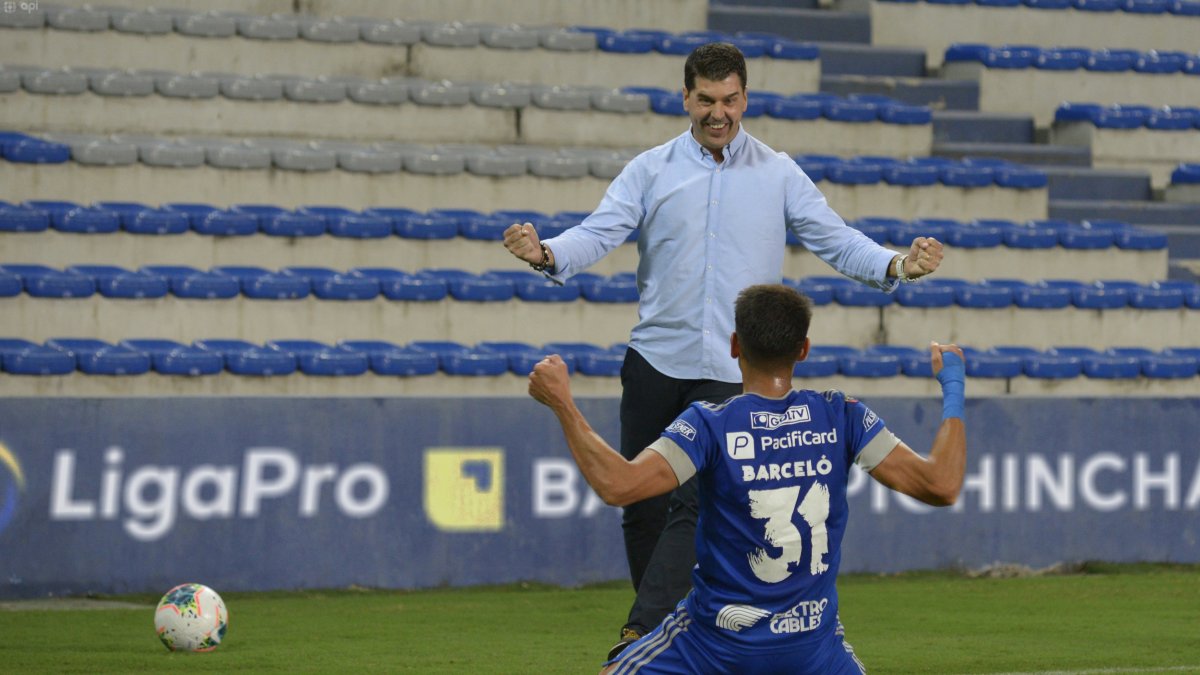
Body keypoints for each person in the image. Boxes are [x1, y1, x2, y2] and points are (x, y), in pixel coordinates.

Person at [502, 42, 945, 656]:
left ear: (746, 99)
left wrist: (898, 264)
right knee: (642, 508)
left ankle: (640, 632)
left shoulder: (778, 173)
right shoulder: (651, 169)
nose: (719, 112)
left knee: (694, 504)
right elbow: (599, 232)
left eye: (730, 100)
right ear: (686, 98)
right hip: (655, 362)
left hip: (728, 370)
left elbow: (838, 240)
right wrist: (547, 252)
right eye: (706, 100)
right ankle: (676, 636)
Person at [528, 284, 967, 674]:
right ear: (803, 349)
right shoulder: (842, 415)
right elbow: (942, 485)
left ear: (735, 345)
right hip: (813, 651)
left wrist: (562, 403)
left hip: (713, 645)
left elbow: (619, 485)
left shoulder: (709, 423)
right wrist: (953, 385)